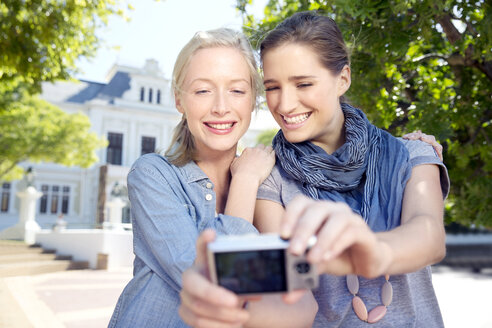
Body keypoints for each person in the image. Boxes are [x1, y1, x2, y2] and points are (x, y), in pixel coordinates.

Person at [179, 11, 449, 328]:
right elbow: (292, 296)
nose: (285, 104)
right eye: (273, 87)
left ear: (343, 79)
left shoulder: (411, 152)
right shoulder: (272, 177)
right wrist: (230, 301)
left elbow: (429, 236)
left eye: (303, 83)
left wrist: (375, 252)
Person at [108, 28, 317, 328]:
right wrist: (244, 181)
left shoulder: (271, 182)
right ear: (180, 100)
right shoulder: (154, 175)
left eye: (237, 90)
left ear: (253, 100)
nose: (221, 107)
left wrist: (402, 149)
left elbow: (300, 284)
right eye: (203, 90)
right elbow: (211, 284)